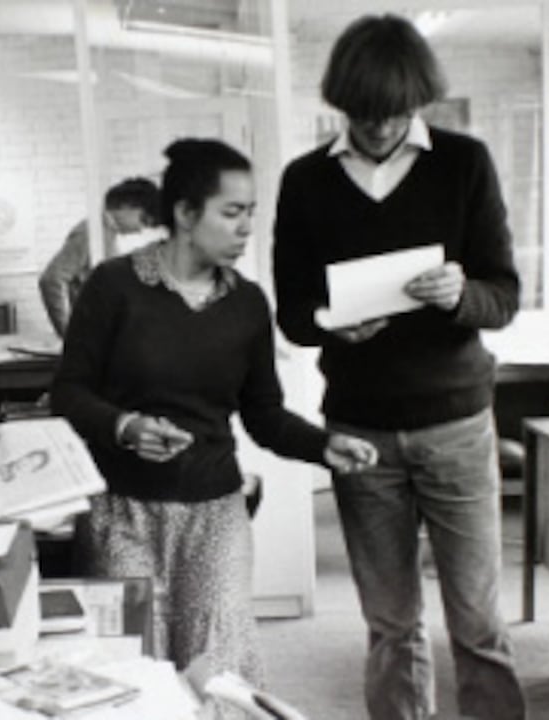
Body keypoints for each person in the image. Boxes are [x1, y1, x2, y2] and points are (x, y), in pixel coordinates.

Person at [51, 138, 378, 712]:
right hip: (121, 512)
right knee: (127, 674)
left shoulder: (247, 303)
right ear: (183, 213)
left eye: (251, 213)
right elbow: (70, 394)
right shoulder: (113, 287)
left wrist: (325, 446)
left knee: (219, 672)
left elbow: (264, 416)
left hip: (215, 511)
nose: (246, 227)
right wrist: (124, 425)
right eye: (232, 212)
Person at [271, 14, 524, 720]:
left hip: (456, 424)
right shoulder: (305, 182)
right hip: (360, 431)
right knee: (390, 625)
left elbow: (503, 297)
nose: (378, 128)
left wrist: (459, 295)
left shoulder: (463, 163)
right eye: (362, 114)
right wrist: (330, 324)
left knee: (477, 621)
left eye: (392, 114)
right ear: (339, 103)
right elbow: (292, 313)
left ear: (419, 100)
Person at [38, 177, 160, 337]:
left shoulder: (106, 234)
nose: (140, 230)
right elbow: (51, 279)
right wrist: (68, 334)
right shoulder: (92, 232)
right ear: (125, 207)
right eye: (143, 220)